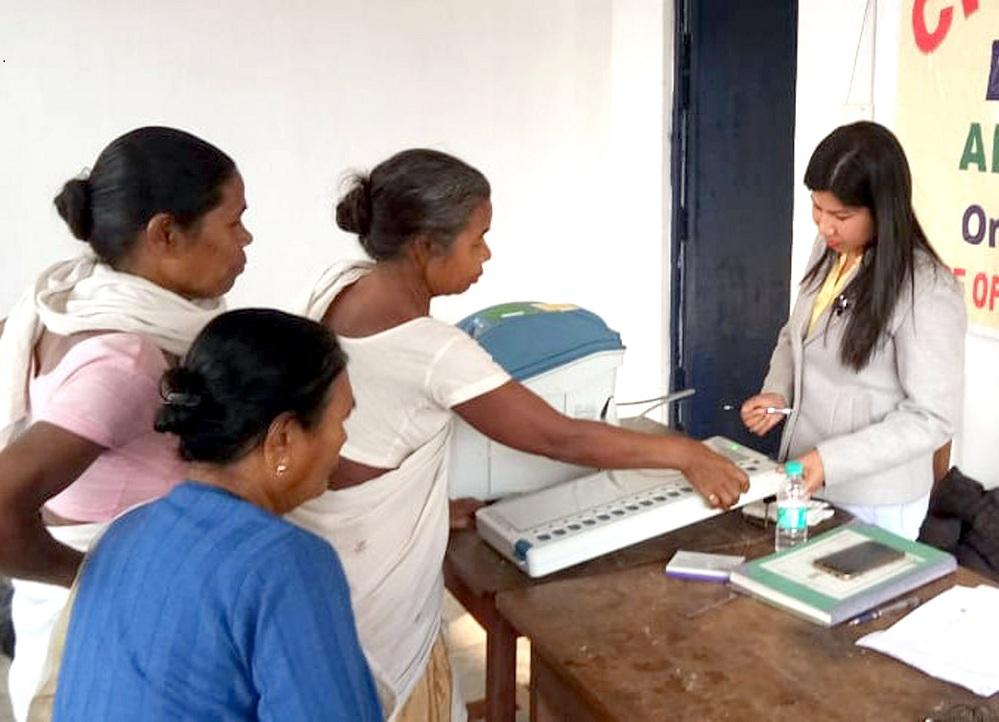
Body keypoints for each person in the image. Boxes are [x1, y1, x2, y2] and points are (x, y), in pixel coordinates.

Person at [291, 148, 749, 720]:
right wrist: (684, 452)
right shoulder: (434, 350)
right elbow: (559, 437)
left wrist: (427, 509)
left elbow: (370, 438)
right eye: (477, 239)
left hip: (321, 553)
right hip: (373, 588)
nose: (486, 254)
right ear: (426, 246)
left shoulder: (341, 283)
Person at [0, 126, 251, 720]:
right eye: (234, 221)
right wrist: (93, 576)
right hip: (101, 644)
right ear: (166, 233)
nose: (246, 238)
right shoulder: (126, 359)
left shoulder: (72, 296)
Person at [49, 309, 381, 722]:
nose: (343, 440)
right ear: (283, 438)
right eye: (342, 420)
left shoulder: (124, 534)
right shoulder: (284, 562)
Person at [741, 121, 966, 539]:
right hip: (806, 480)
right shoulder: (830, 251)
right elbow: (795, 336)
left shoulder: (928, 289)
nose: (825, 226)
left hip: (875, 500)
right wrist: (778, 393)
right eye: (817, 208)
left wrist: (830, 461)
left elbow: (932, 417)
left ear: (883, 209)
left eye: (841, 216)